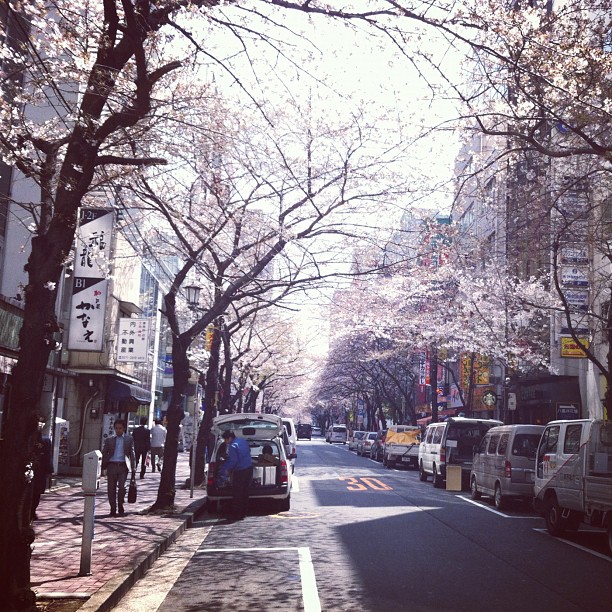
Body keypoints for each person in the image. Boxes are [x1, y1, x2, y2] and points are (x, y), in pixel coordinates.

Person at [101, 419, 136, 517]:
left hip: (123, 466)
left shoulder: (129, 439)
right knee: (111, 489)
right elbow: (104, 453)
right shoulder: (110, 440)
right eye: (116, 428)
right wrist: (103, 464)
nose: (118, 430)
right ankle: (113, 507)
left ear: (124, 428)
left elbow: (132, 454)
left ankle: (120, 503)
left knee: (122, 487)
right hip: (112, 465)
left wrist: (134, 467)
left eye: (120, 428)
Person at [219, 430, 253, 519]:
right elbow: (249, 451)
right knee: (245, 492)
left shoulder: (233, 446)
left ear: (229, 438)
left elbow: (233, 461)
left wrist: (226, 470)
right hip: (249, 469)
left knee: (237, 494)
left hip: (240, 471)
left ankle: (237, 514)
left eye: (225, 440)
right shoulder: (243, 441)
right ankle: (244, 513)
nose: (225, 442)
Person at [31, 417, 52, 521]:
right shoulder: (46, 441)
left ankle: (32, 511)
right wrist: (49, 471)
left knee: (35, 492)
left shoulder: (44, 441)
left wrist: (49, 471)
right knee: (36, 493)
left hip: (37, 471)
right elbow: (48, 457)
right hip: (39, 471)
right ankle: (32, 511)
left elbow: (48, 457)